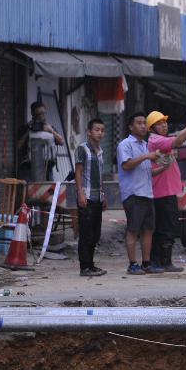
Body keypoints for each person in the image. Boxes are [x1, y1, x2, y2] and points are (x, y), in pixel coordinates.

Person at [146, 109, 186, 273]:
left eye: (164, 123)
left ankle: (163, 261)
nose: (164, 126)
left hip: (166, 192)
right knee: (165, 227)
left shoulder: (159, 140)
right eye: (159, 124)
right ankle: (160, 261)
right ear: (152, 128)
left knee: (167, 227)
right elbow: (179, 140)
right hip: (162, 193)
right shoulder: (156, 140)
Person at [117, 112, 161, 275]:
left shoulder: (144, 145)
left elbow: (147, 172)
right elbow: (127, 166)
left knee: (148, 230)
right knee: (133, 230)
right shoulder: (125, 144)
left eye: (144, 123)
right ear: (131, 126)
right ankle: (132, 264)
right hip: (133, 193)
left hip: (147, 193)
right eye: (139, 123)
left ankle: (146, 263)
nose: (143, 126)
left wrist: (163, 167)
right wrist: (146, 156)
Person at [74, 118, 107, 277]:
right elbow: (78, 172)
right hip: (86, 197)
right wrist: (80, 193)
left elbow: (100, 175)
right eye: (96, 130)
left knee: (95, 234)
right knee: (86, 234)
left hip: (97, 198)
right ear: (89, 132)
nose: (100, 133)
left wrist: (103, 194)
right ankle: (84, 267)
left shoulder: (100, 151)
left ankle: (91, 265)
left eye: (102, 130)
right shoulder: (82, 149)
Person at [17, 101, 64, 181]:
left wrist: (51, 130)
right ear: (32, 114)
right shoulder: (26, 128)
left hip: (47, 168)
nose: (41, 116)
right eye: (38, 114)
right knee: (29, 192)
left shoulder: (49, 128)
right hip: (29, 168)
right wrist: (28, 130)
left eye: (43, 113)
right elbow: (18, 146)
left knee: (49, 192)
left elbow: (61, 142)